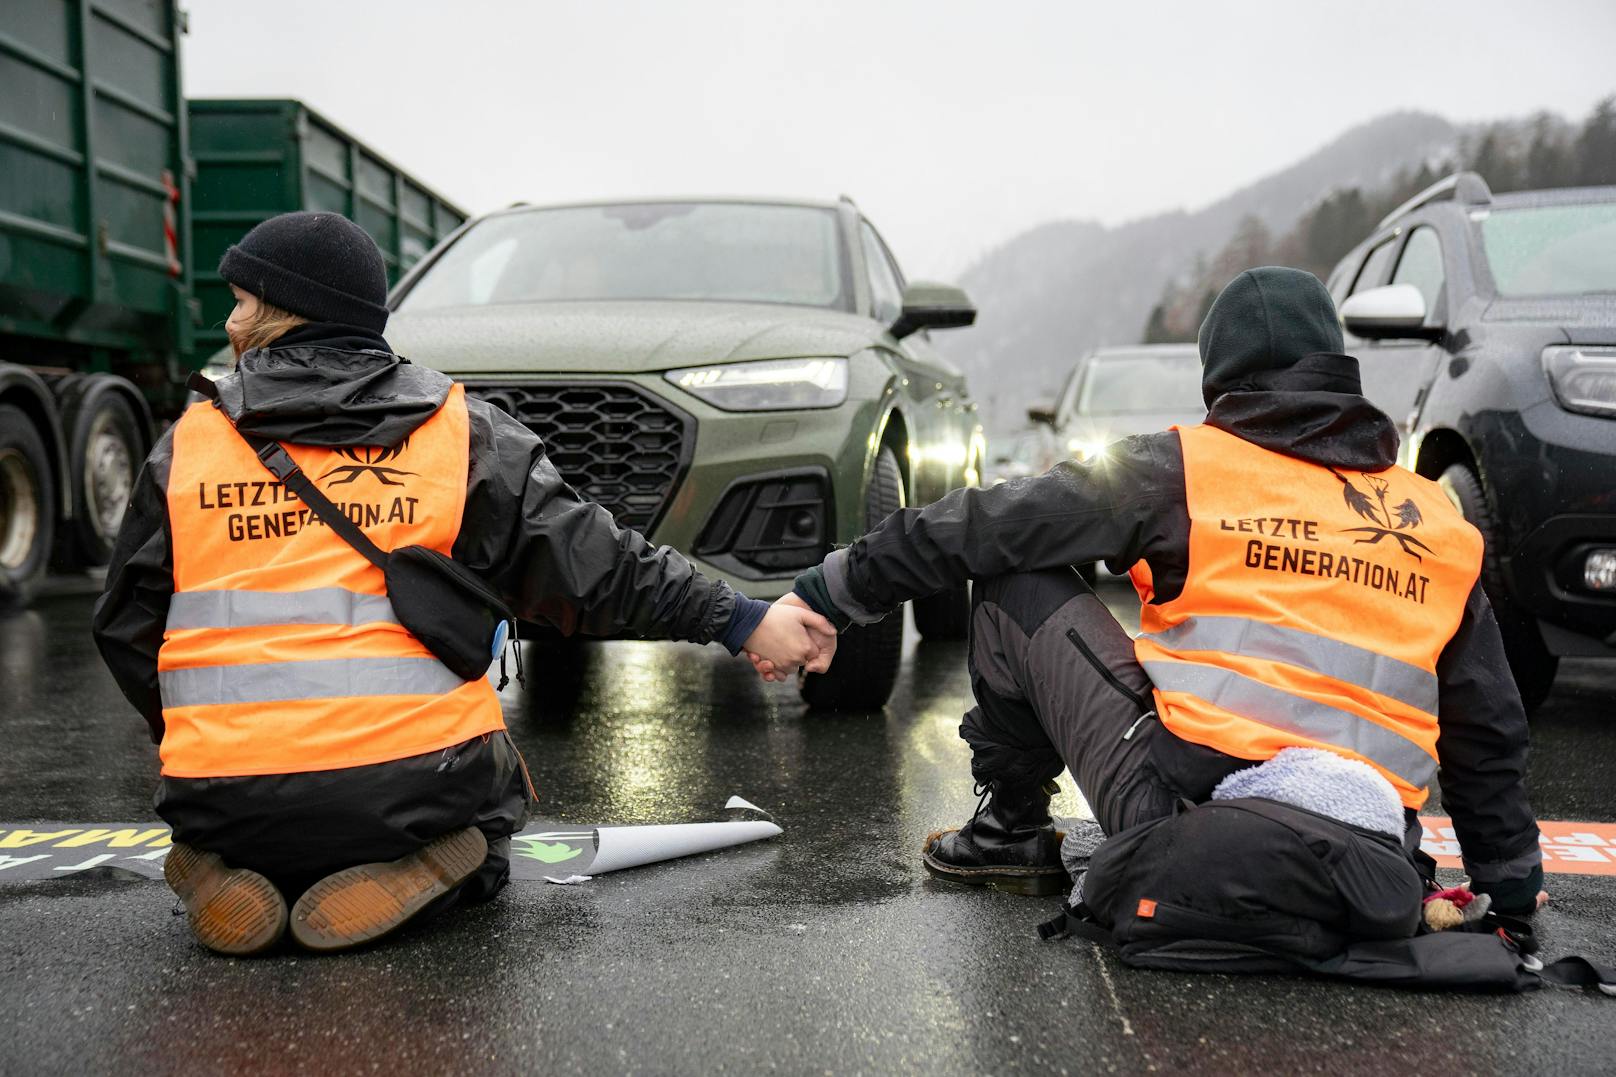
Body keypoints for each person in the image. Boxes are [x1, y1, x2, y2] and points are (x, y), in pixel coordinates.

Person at [93, 211, 837, 956]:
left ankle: (220, 869)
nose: (230, 320)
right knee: (489, 810)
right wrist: (742, 618)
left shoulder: (187, 444)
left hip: (219, 797)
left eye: (243, 301)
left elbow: (125, 627)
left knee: (241, 819)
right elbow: (601, 565)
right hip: (410, 794)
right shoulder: (459, 430)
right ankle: (429, 869)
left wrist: (210, 742)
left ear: (290, 306)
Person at [764, 267, 1544, 918]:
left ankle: (1010, 831)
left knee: (1011, 573)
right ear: (1339, 370)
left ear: (1220, 378)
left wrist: (835, 587)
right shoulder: (1433, 521)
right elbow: (1486, 730)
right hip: (1371, 854)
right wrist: (1511, 890)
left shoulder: (1184, 468)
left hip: (1185, 819)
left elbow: (987, 523)